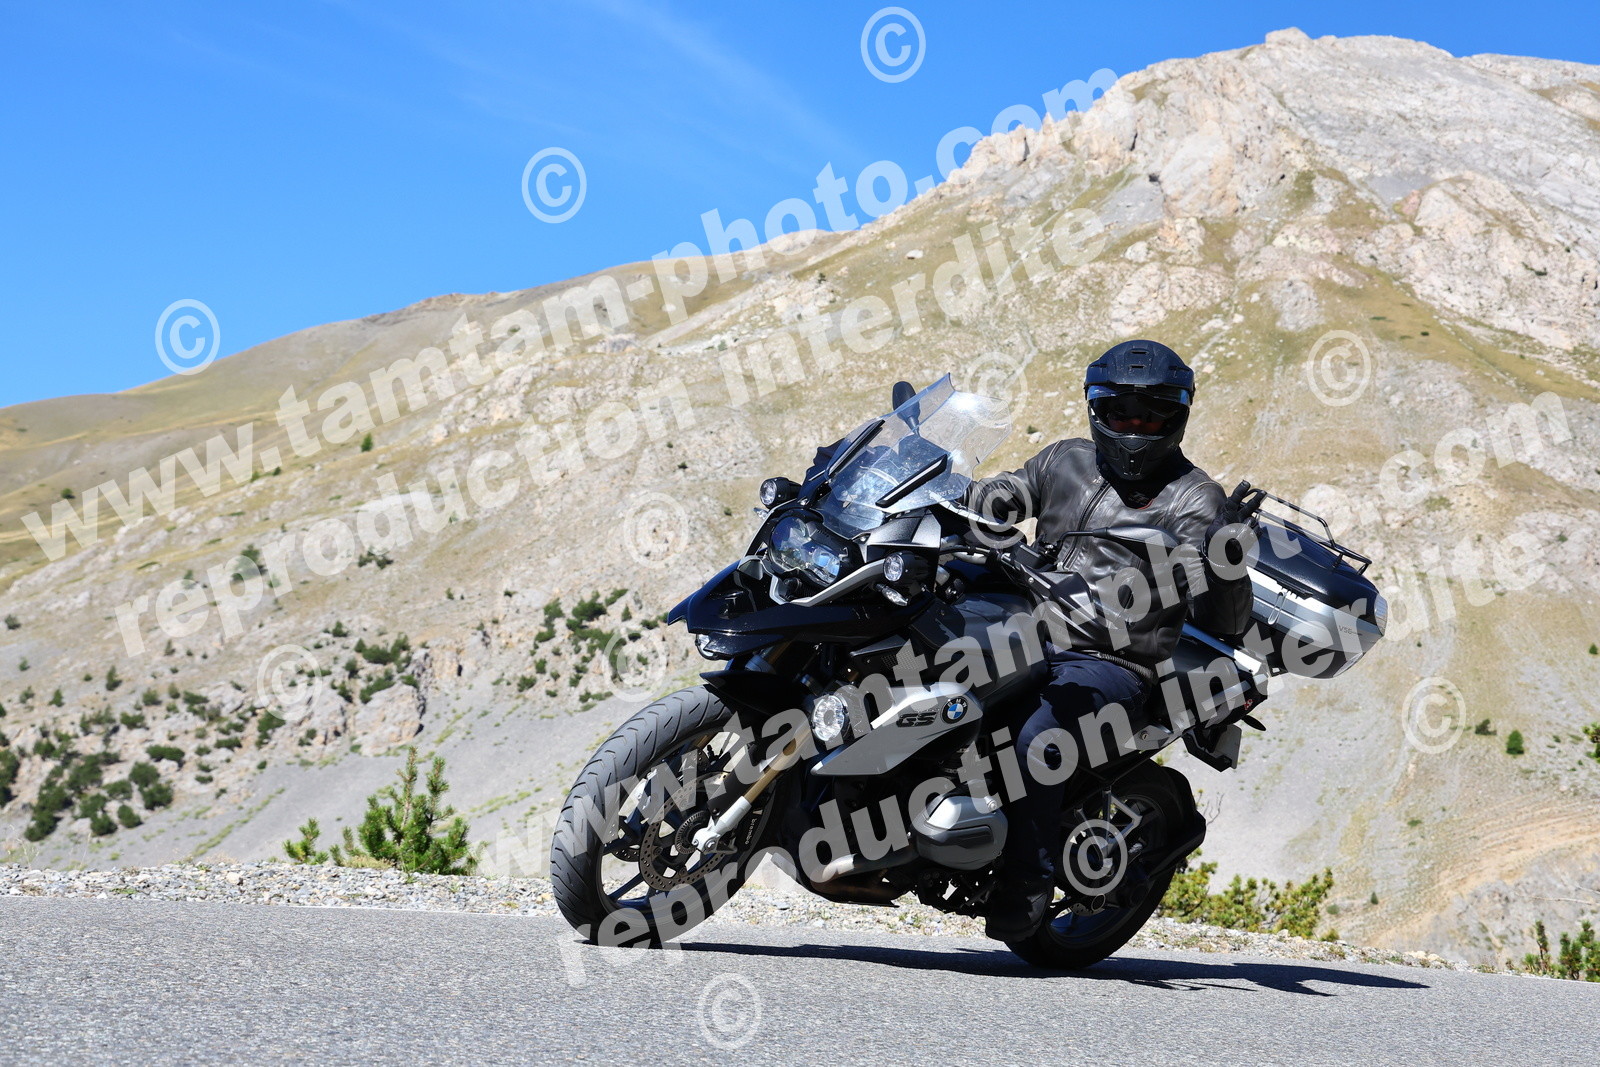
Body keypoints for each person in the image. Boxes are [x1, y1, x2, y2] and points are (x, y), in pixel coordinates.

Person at [966, 339, 1255, 941]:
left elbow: (1225, 620)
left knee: (1036, 735)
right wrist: (951, 499)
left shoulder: (1194, 498)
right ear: (1098, 408)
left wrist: (1226, 556)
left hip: (1110, 661)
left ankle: (1026, 883)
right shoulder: (1064, 460)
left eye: (1150, 415)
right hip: (1023, 621)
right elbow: (1000, 497)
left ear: (1176, 417)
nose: (1134, 427)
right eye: (1121, 412)